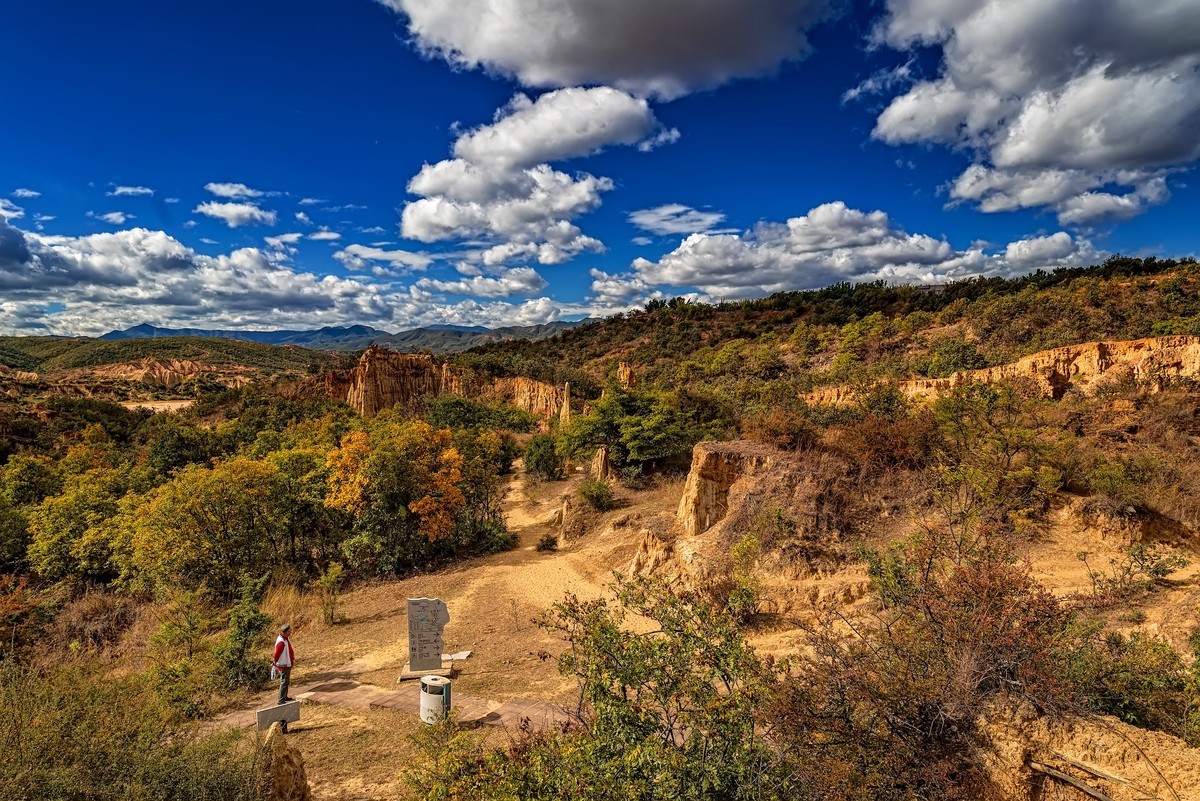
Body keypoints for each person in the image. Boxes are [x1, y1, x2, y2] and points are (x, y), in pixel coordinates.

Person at [273, 623, 295, 705]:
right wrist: (275, 663)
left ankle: (284, 696)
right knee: (284, 682)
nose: (290, 632)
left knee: (286, 682)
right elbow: (276, 654)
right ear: (285, 632)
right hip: (283, 664)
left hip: (287, 663)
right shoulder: (281, 642)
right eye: (289, 630)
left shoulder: (285, 638)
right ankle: (281, 699)